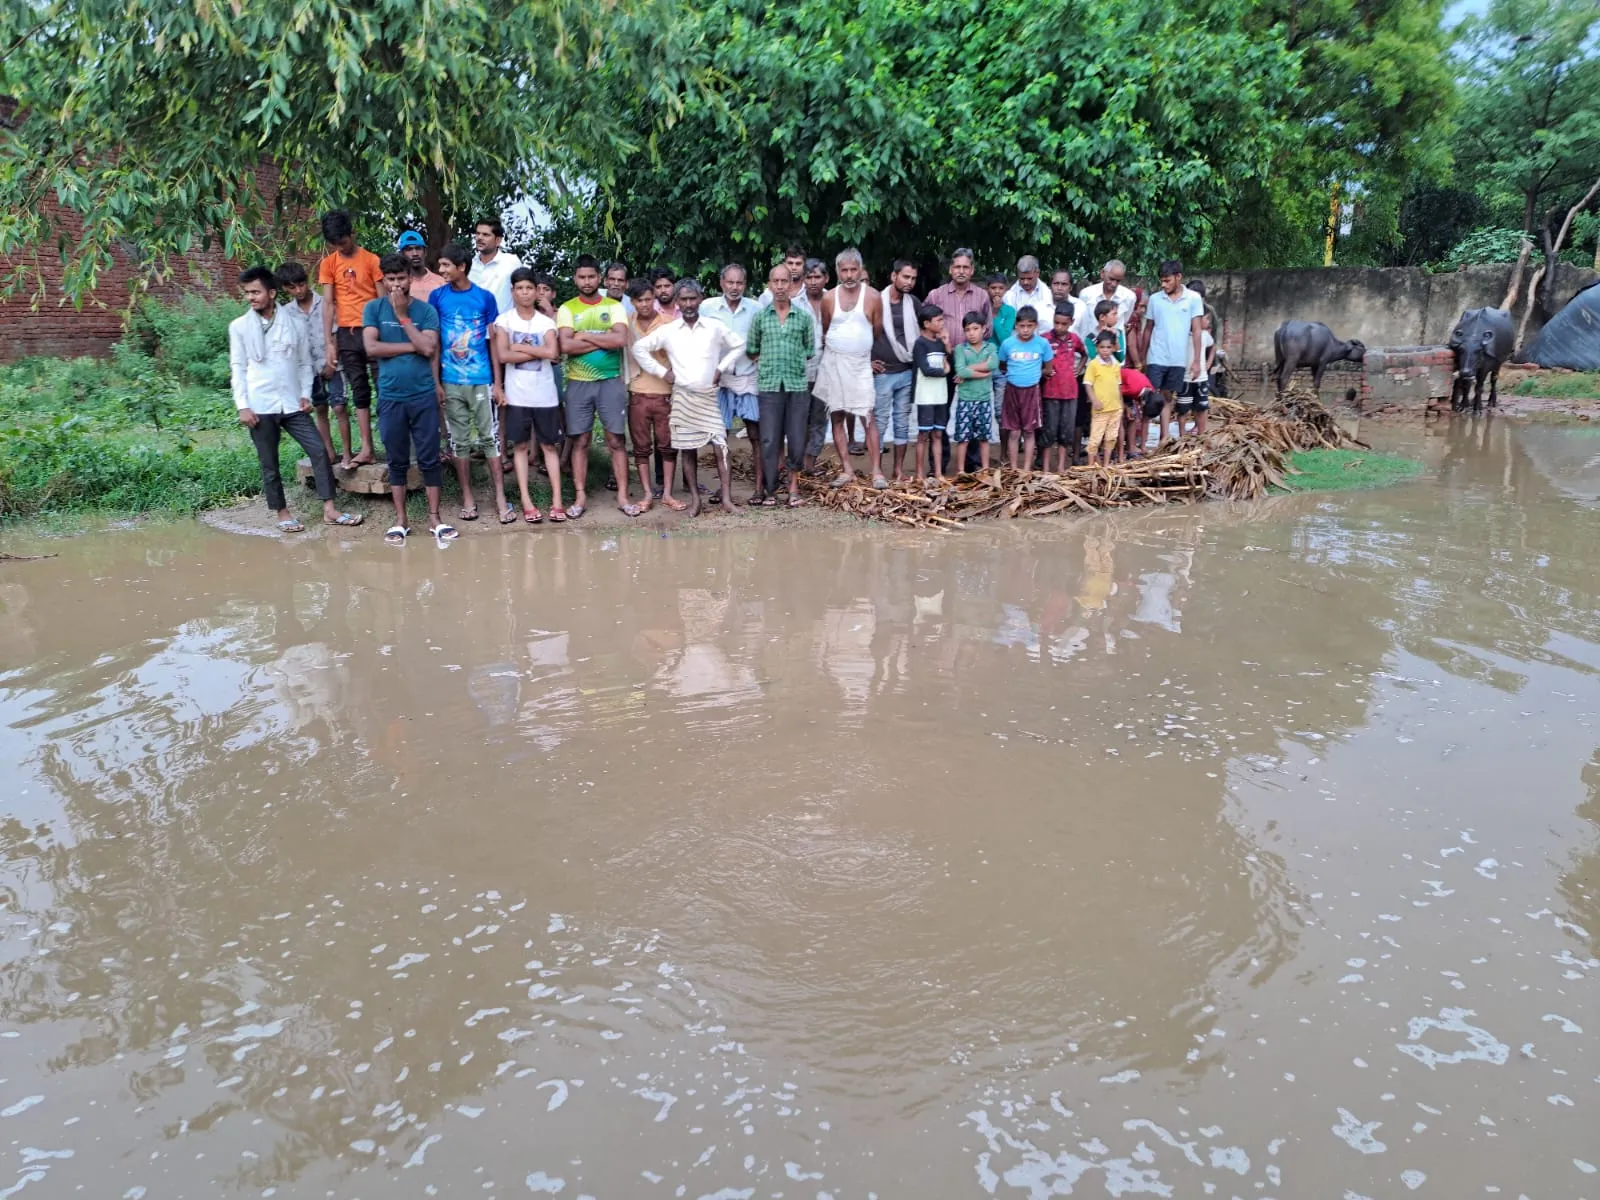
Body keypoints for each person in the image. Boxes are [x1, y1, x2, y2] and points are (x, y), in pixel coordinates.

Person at [229, 266, 362, 532]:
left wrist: (304, 394)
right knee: (269, 463)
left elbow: (303, 364)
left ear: (271, 293)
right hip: (260, 404)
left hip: (292, 404)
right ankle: (282, 513)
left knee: (319, 451)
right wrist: (243, 406)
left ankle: (330, 509)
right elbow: (238, 367)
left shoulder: (294, 323)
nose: (251, 297)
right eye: (247, 293)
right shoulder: (239, 327)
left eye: (256, 292)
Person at [631, 279, 746, 516]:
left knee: (721, 447)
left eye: (693, 298)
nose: (688, 303)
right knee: (687, 449)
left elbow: (739, 345)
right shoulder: (669, 330)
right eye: (683, 299)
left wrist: (720, 368)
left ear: (700, 299)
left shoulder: (714, 326)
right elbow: (638, 349)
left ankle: (726, 499)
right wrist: (662, 372)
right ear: (677, 302)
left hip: (708, 396)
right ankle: (695, 500)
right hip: (683, 396)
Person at [362, 254, 450, 544]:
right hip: (390, 396)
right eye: (391, 279)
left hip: (423, 394)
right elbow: (371, 348)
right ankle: (401, 521)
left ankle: (435, 519)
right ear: (384, 280)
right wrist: (412, 346)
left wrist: (403, 317)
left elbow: (429, 348)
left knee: (429, 459)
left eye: (401, 278)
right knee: (396, 460)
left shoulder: (426, 311)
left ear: (410, 279)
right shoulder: (373, 308)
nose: (396, 285)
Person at [429, 242, 509, 524]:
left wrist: (498, 383)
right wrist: (436, 382)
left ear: (461, 267)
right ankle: (467, 498)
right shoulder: (437, 297)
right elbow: (435, 342)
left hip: (482, 379)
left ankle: (500, 497)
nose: (441, 270)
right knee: (458, 442)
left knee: (490, 439)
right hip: (451, 381)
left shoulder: (485, 298)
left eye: (445, 265)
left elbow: (494, 342)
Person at [556, 254, 633, 517]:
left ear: (599, 278)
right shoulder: (567, 308)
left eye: (591, 276)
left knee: (616, 439)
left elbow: (620, 340)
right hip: (578, 382)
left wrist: (586, 336)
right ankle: (580, 497)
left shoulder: (614, 306)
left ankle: (622, 496)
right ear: (575, 279)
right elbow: (566, 346)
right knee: (581, 440)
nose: (587, 281)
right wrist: (603, 338)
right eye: (582, 277)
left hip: (610, 381)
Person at [492, 267, 566, 523]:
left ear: (536, 292)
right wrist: (536, 350)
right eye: (520, 288)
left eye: (529, 288)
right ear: (512, 292)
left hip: (545, 395)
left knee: (549, 446)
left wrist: (518, 347)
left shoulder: (546, 322)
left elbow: (552, 353)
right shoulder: (504, 321)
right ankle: (526, 501)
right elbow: (503, 355)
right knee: (521, 446)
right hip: (517, 395)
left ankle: (557, 501)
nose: (524, 293)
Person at [316, 209, 382, 469]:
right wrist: (329, 342)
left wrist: (383, 331)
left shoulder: (372, 260)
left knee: (384, 387)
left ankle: (392, 443)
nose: (340, 248)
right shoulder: (328, 264)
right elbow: (328, 304)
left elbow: (382, 299)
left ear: (352, 234)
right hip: (346, 333)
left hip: (372, 330)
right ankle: (367, 449)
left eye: (343, 242)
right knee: (358, 389)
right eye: (334, 244)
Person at [814, 248, 884, 489]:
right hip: (833, 362)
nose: (849, 275)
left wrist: (860, 351)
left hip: (860, 364)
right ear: (837, 271)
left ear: (861, 270)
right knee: (837, 416)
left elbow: (876, 330)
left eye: (854, 269)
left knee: (868, 416)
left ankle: (877, 471)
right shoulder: (829, 298)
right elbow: (826, 329)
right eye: (844, 270)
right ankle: (847, 469)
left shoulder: (872, 296)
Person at [745, 263, 814, 507]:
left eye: (785, 281)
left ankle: (793, 489)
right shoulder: (760, 318)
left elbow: (809, 350)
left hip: (796, 385)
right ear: (770, 285)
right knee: (769, 439)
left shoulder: (803, 317)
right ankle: (771, 490)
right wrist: (768, 362)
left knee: (796, 438)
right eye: (776, 281)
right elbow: (752, 349)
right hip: (769, 385)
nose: (780, 286)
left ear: (792, 284)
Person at [701, 263, 765, 501]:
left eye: (739, 283)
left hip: (749, 377)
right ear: (722, 283)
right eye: (730, 282)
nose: (734, 287)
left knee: (755, 433)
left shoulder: (756, 308)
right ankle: (725, 489)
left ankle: (759, 488)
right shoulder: (707, 308)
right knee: (720, 435)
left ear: (745, 285)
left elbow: (763, 339)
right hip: (720, 381)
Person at [275, 260, 345, 467]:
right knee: (320, 408)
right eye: (292, 287)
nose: (298, 290)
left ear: (308, 281)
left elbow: (336, 332)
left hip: (333, 363)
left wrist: (332, 361)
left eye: (301, 284)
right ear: (284, 288)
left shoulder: (325, 303)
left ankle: (347, 453)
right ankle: (329, 452)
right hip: (308, 370)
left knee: (339, 406)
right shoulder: (286, 312)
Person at [625, 277, 684, 512]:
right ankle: (648, 494)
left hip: (665, 392)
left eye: (648, 299)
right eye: (640, 300)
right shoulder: (626, 323)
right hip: (637, 391)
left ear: (654, 299)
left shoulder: (669, 323)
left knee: (667, 445)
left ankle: (667, 493)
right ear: (632, 302)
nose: (645, 304)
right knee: (641, 446)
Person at [1142, 260, 1205, 445]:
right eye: (1161, 280)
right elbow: (1148, 329)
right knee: (1150, 397)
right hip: (1156, 356)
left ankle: (1163, 438)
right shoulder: (1155, 299)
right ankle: (1143, 443)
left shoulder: (1193, 298)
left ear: (1178, 277)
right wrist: (1143, 358)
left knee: (1167, 397)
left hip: (1178, 359)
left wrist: (1196, 361)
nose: (1163, 284)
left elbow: (1197, 330)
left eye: (1167, 280)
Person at [870, 258, 920, 483]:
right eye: (905, 277)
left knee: (902, 422)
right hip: (883, 374)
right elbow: (863, 331)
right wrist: (867, 361)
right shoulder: (875, 301)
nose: (909, 282)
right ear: (894, 276)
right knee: (879, 422)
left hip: (907, 371)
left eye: (913, 278)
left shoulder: (914, 303)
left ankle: (898, 471)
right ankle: (877, 470)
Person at [999, 305, 1052, 470]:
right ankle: (1014, 468)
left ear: (1036, 325)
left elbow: (1048, 368)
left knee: (1029, 431)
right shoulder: (1007, 344)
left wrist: (1034, 373)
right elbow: (1002, 365)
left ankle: (1027, 469)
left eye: (1030, 326)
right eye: (1022, 326)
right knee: (1014, 431)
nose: (1026, 330)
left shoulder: (1042, 344)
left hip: (1032, 391)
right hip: (1012, 390)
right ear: (1016, 326)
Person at [1041, 303, 1086, 472]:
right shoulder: (1045, 339)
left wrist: (1079, 368)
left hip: (1070, 392)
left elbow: (1085, 353)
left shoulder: (1074, 339)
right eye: (1056, 322)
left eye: (1064, 324)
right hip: (1050, 391)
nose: (1059, 327)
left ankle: (1061, 467)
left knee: (1066, 431)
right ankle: (1045, 468)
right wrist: (1043, 371)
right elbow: (1036, 359)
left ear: (1071, 322)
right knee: (1049, 430)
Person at [952, 314, 998, 472]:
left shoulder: (990, 347)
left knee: (984, 438)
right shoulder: (960, 349)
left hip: (984, 399)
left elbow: (993, 364)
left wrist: (969, 369)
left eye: (975, 328)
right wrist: (982, 373)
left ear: (984, 329)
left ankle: (985, 469)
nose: (971, 333)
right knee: (963, 438)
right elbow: (960, 371)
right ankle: (960, 471)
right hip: (965, 399)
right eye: (967, 330)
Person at [798, 258, 831, 473]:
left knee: (819, 418)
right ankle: (797, 461)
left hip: (826, 370)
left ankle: (810, 463)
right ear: (803, 279)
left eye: (817, 277)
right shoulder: (795, 303)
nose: (813, 281)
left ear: (825, 278)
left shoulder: (834, 300)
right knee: (800, 418)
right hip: (801, 371)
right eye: (809, 277)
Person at [926, 247, 992, 351]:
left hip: (972, 356)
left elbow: (988, 329)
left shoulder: (982, 296)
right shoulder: (935, 295)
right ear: (950, 269)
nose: (961, 271)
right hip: (943, 354)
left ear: (972, 270)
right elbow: (923, 324)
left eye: (965, 267)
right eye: (957, 267)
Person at [911, 303, 949, 481]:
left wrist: (947, 346)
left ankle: (938, 472)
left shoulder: (940, 343)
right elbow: (926, 369)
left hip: (940, 394)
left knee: (938, 433)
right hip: (925, 395)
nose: (942, 323)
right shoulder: (920, 344)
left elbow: (949, 362)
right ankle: (919, 474)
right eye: (938, 320)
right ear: (926, 324)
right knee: (923, 434)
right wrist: (944, 371)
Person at [1083, 332, 1124, 467]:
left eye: (1108, 347)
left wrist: (1121, 405)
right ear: (1097, 348)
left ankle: (1106, 465)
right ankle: (1090, 466)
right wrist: (1094, 400)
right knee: (1095, 438)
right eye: (1102, 347)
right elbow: (1088, 384)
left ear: (1113, 348)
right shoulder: (1094, 364)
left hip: (1115, 408)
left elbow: (1118, 385)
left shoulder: (1116, 365)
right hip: (1100, 409)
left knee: (1111, 438)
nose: (1105, 350)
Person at [467, 217, 522, 316]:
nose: (479, 238)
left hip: (503, 324)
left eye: (485, 235)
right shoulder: (468, 265)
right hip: (472, 324)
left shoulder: (511, 262)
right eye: (478, 233)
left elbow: (522, 294)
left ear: (498, 240)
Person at [1076, 260, 1137, 338]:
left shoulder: (1129, 297)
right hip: (1089, 342)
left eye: (1118, 281)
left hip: (1116, 343)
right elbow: (1081, 321)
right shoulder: (1086, 294)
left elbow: (1125, 320)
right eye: (1111, 279)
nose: (1114, 284)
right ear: (1102, 273)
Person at [1178, 313, 1216, 435]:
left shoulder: (1205, 335)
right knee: (1183, 409)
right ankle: (1182, 436)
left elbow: (1213, 346)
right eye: (1206, 319)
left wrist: (1209, 362)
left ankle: (1201, 434)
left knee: (1201, 408)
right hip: (1185, 379)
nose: (1208, 322)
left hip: (1201, 378)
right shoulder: (1183, 335)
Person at [1119, 365, 1157, 461]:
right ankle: (1118, 452)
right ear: (1143, 402)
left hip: (1127, 388)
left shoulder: (1151, 391)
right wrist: (1125, 407)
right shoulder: (1133, 389)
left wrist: (1143, 445)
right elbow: (1116, 391)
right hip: (1115, 385)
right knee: (1120, 419)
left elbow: (1145, 418)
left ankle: (1131, 450)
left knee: (1132, 418)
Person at [1002, 256, 1052, 321]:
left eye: (1029, 278)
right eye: (1022, 279)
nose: (1025, 282)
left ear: (1037, 273)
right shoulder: (1009, 295)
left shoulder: (1047, 293)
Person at [398, 231, 444, 300]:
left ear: (425, 252)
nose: (415, 253)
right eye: (409, 249)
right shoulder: (397, 284)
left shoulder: (441, 283)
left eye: (418, 248)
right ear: (401, 254)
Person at [1048, 269, 1089, 340]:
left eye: (1064, 284)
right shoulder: (1039, 307)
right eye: (1056, 283)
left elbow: (1084, 335)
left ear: (1070, 287)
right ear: (1050, 286)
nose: (1059, 288)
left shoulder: (1080, 307)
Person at [1126, 288, 1151, 370]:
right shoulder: (1132, 318)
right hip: (1129, 364)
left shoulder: (1136, 318)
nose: (1143, 310)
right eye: (1141, 306)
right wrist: (1137, 364)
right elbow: (1131, 344)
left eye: (1145, 307)